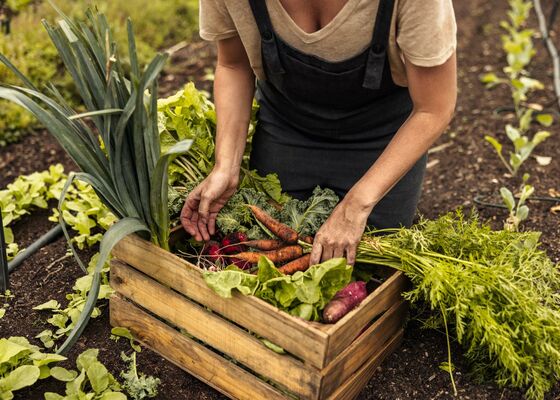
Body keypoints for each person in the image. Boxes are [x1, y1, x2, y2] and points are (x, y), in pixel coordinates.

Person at [181, 0, 457, 266]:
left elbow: (433, 109)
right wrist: (226, 166)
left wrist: (356, 205)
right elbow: (233, 64)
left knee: (371, 273)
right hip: (287, 129)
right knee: (270, 258)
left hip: (382, 140)